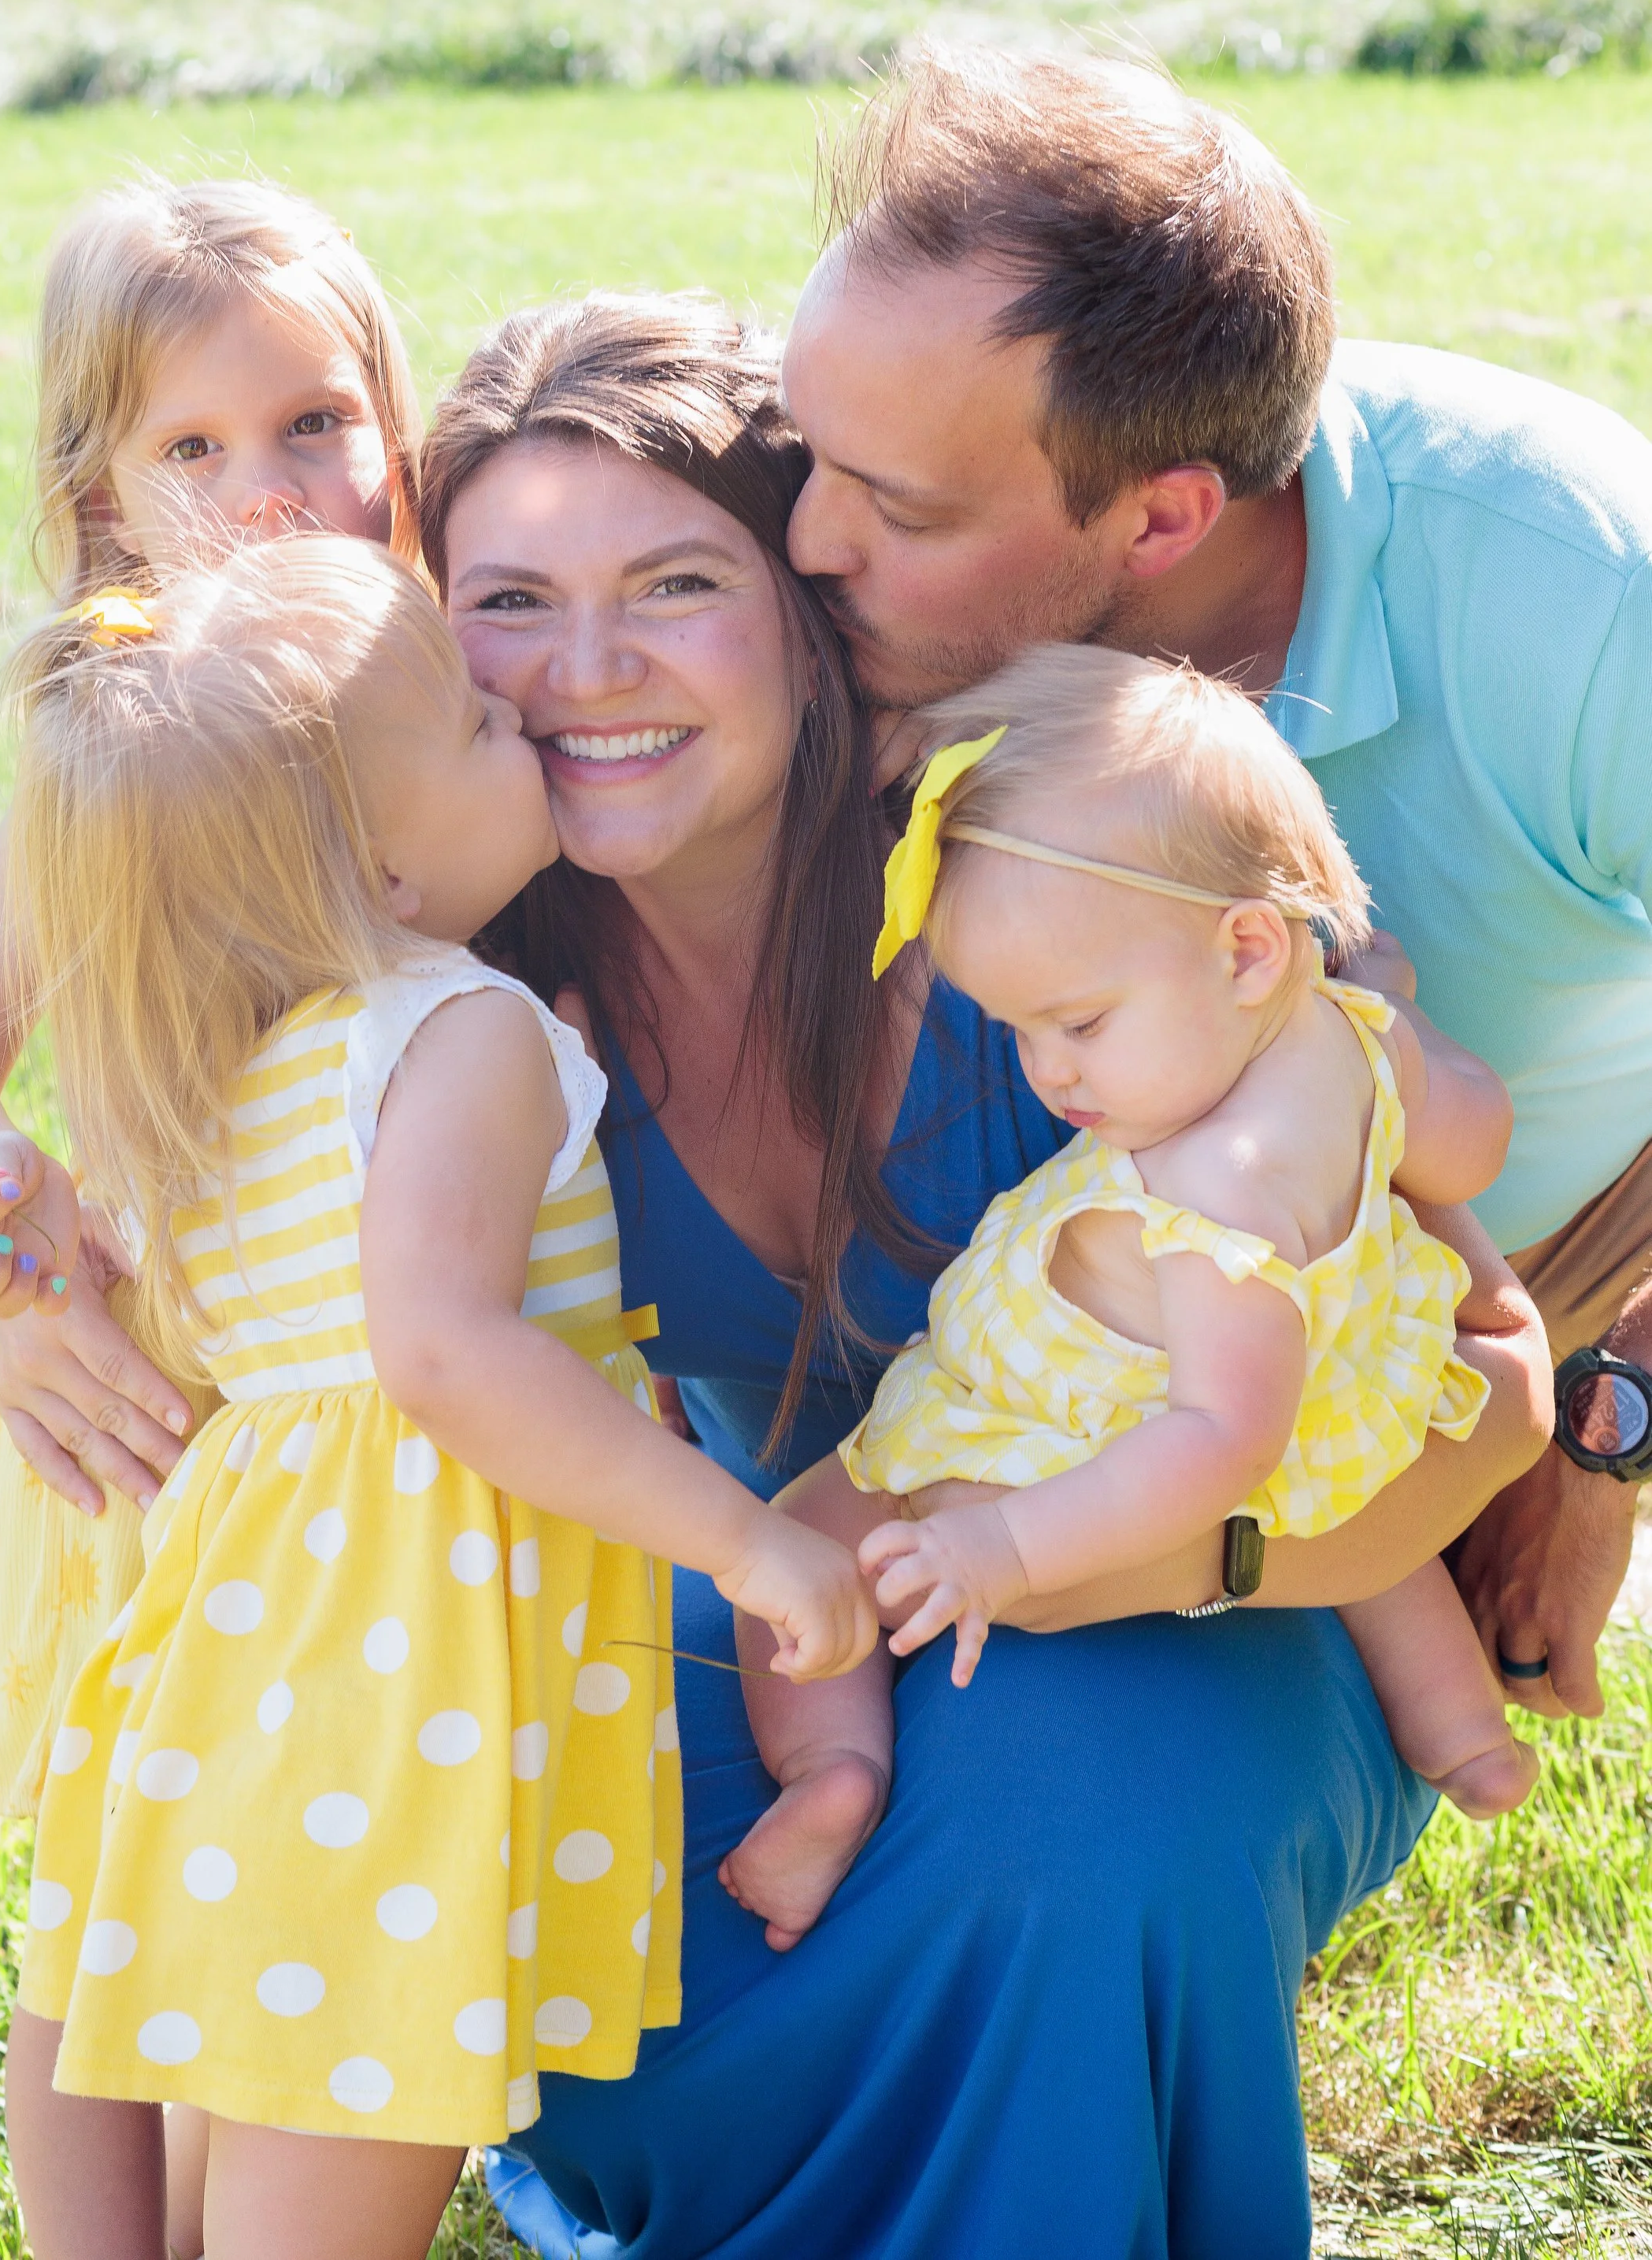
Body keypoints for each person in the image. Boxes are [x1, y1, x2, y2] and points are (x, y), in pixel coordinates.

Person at [415, 294, 1547, 2260]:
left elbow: (1495, 1380)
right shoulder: (474, 1003)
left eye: (674, 582)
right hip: (806, 1583)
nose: (581, 673)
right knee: (562, 1842)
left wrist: (1171, 1555)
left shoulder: (1068, 889)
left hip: (1219, 1597)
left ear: (801, 603)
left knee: (1065, 1820)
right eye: (506, 601)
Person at [0, 538, 869, 2260]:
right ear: (386, 872)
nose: (521, 723)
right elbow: (449, 1354)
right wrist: (749, 1546)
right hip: (391, 1690)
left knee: (225, 2082)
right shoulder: (453, 1027)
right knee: (342, 2105)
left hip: (243, 1666)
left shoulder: (227, 1061)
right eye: (476, 725)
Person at [783, 46, 1652, 1724]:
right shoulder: (869, 506)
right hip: (1054, 1295)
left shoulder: (1578, 601)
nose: (805, 540)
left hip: (1489, 1241)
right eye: (801, 449)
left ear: (1163, 520)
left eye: (888, 504)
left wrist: (1607, 1417)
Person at [728, 645, 1535, 1957]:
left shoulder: (1215, 1193)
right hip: (1341, 1385)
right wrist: (1399, 1044)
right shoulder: (1352, 1032)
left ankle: (832, 1767)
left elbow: (1221, 1444)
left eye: (1082, 1024)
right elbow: (1472, 1139)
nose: (1049, 1073)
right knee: (1358, 1505)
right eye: (1019, 1030)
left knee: (807, 1536)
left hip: (1113, 1422)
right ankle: (1458, 1729)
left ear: (1247, 948)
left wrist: (1003, 1549)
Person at [0, 173, 424, 1817]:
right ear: (104, 496)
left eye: (316, 423)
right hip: (170, 1393)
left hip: (394, 1399)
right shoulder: (125, 757)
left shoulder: (450, 711)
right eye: (190, 450)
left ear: (398, 424)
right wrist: (1, 1190)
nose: (266, 497)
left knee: (326, 1835)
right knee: (141, 1855)